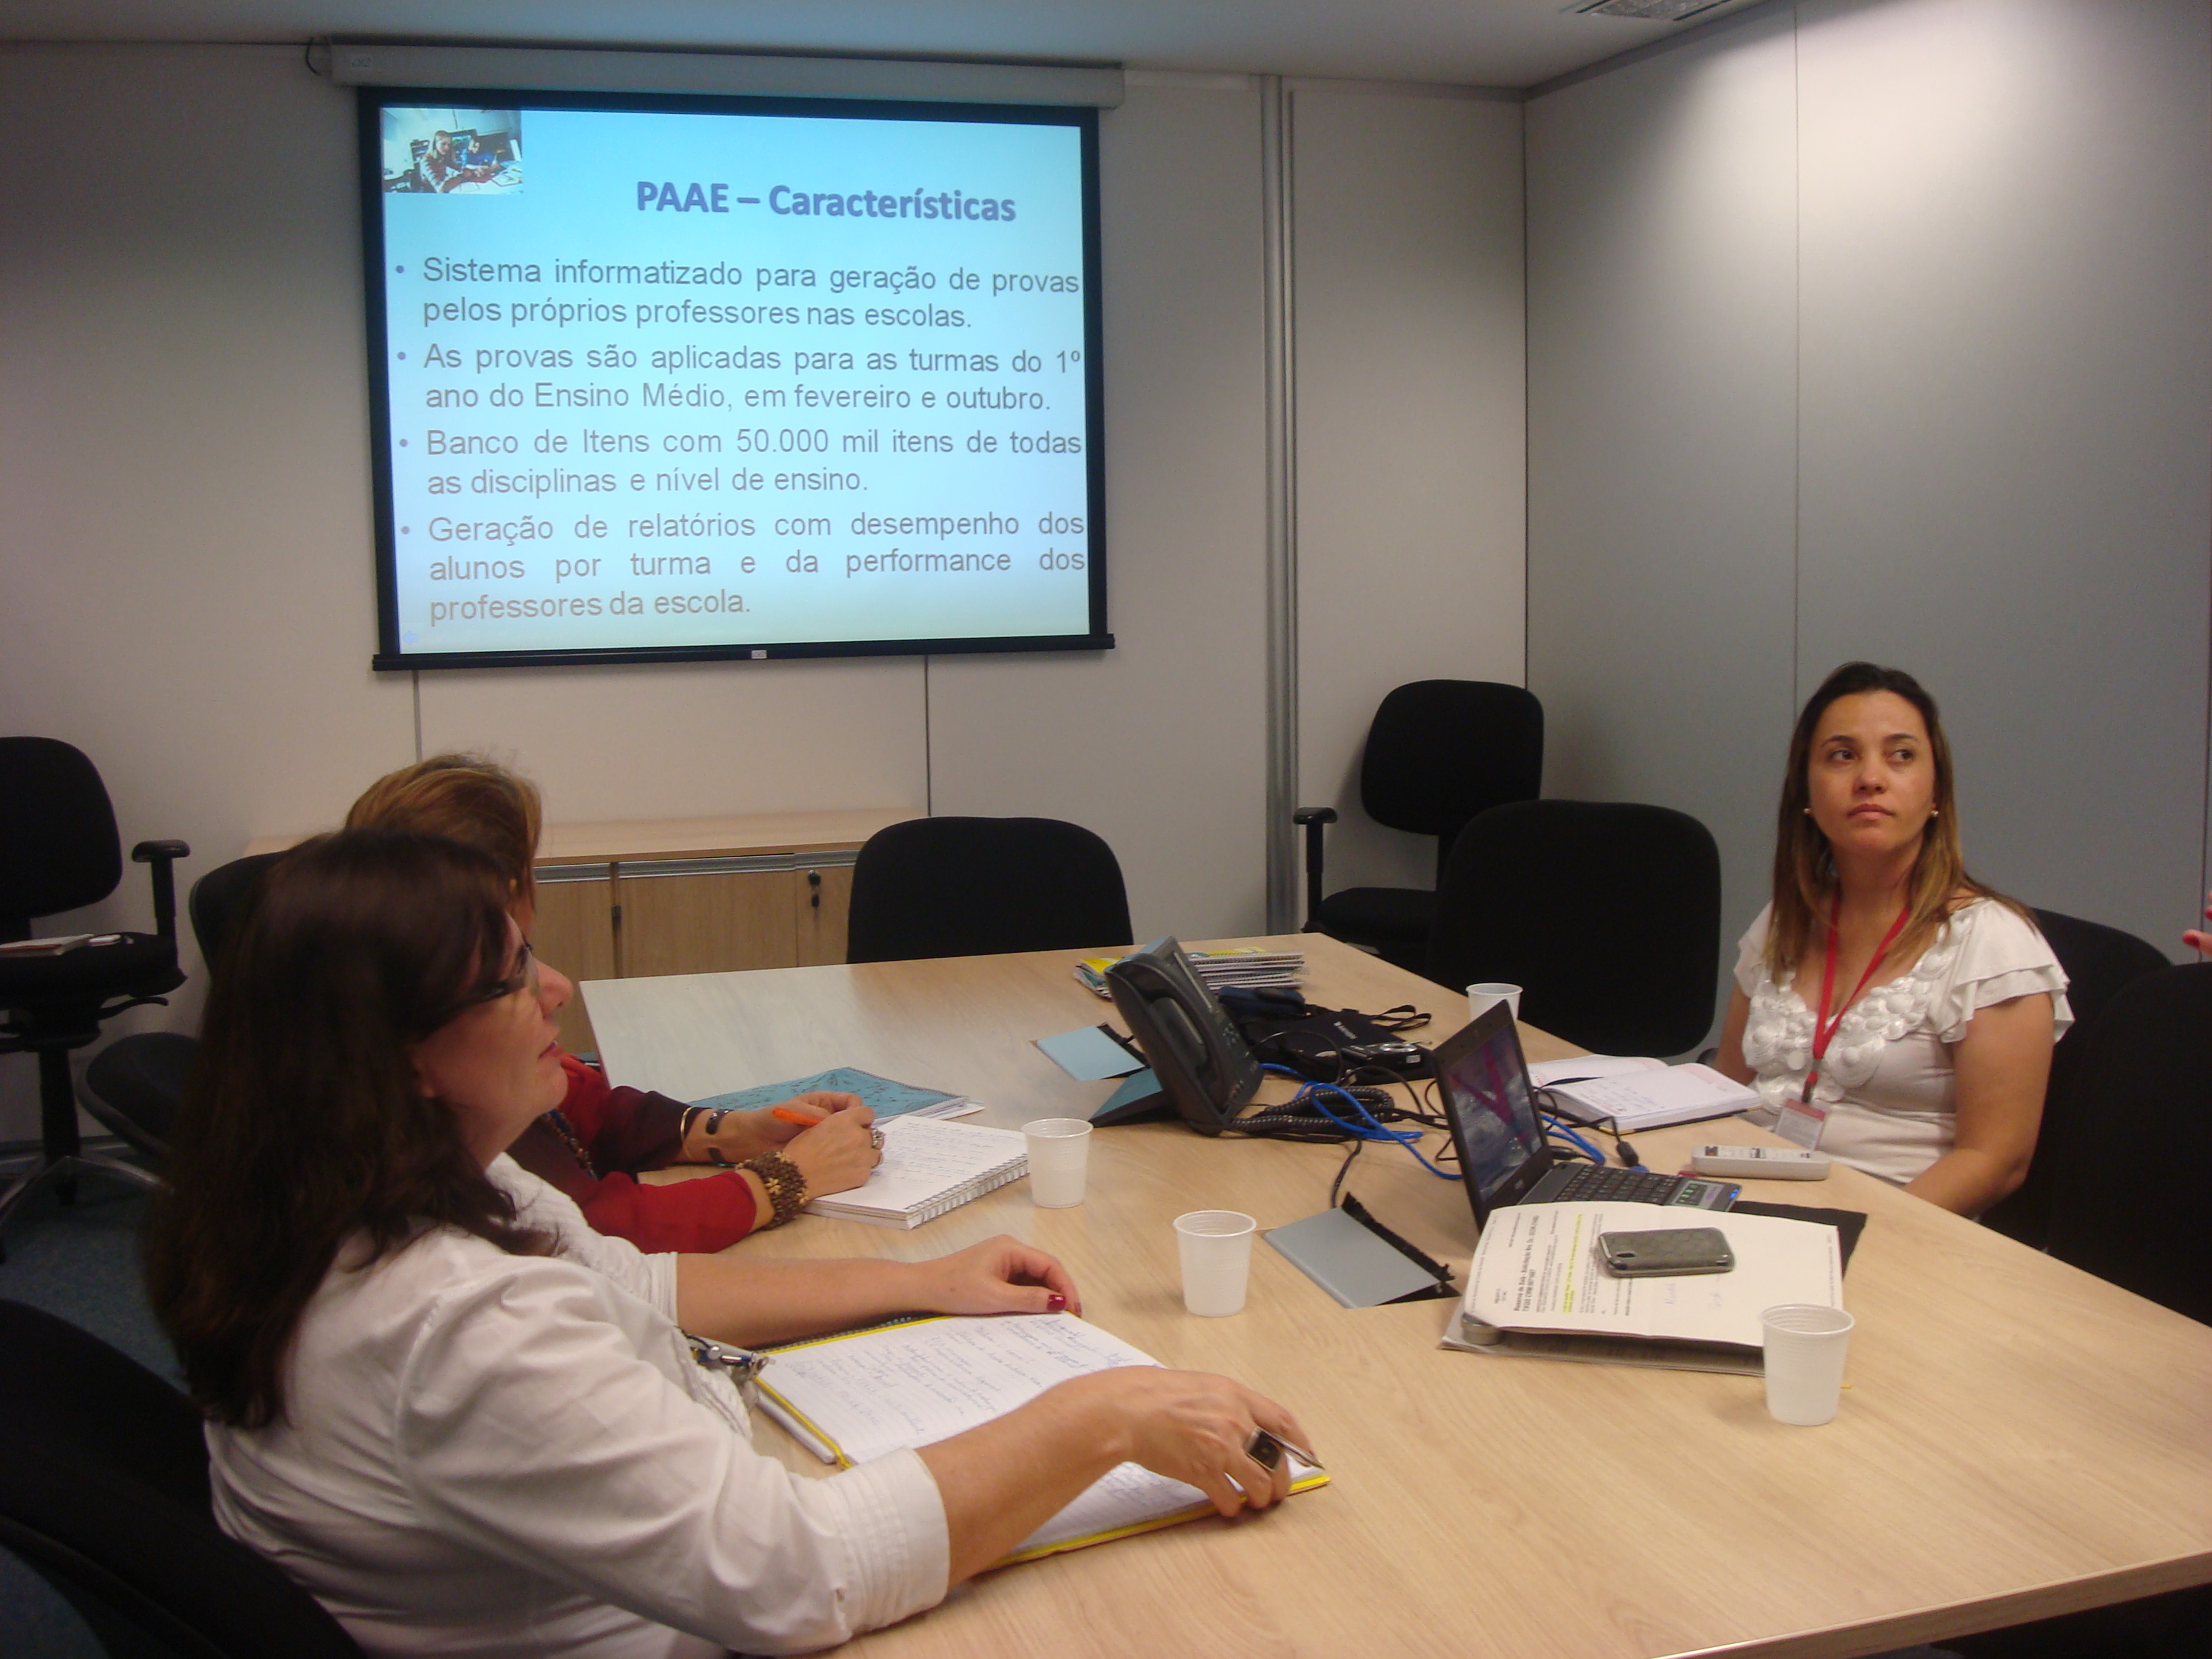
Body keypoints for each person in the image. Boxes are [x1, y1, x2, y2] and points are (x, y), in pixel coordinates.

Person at [143, 830, 1307, 1658]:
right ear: (403, 1058)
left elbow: (637, 1286)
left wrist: (920, 1282)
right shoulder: (452, 1321)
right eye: (510, 977)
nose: (558, 988)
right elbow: (801, 1576)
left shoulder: (353, 1188)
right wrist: (1103, 1415)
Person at [346, 754, 872, 1252]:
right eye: (514, 968)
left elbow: (582, 1109)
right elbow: (597, 1232)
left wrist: (736, 1131)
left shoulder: (399, 999)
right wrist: (787, 1179)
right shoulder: (441, 1100)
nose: (556, 988)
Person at [1714, 663, 2071, 1216]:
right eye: (1842, 755)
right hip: (1749, 1205)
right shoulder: (1785, 919)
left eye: (1901, 755)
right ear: (1806, 791)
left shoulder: (1994, 942)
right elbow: (1725, 1091)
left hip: (1895, 1230)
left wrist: (1854, 1233)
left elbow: (1995, 1160)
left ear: (1936, 791)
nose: (1870, 778)